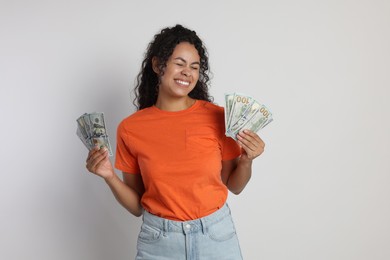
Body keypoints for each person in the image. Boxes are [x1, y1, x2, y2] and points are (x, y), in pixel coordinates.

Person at [85, 24, 265, 260]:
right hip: (159, 243)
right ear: (158, 65)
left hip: (216, 238)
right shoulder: (131, 129)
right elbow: (137, 206)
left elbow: (235, 186)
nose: (187, 73)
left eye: (194, 67)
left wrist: (247, 161)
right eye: (179, 64)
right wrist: (108, 176)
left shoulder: (218, 117)